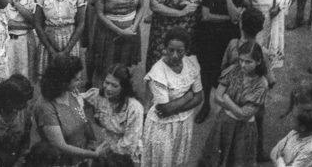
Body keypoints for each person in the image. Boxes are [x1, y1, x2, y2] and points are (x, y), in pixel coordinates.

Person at [200, 39, 270, 167]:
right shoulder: (233, 70)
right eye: (241, 60)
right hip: (224, 123)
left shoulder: (261, 84)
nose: (243, 65)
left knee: (237, 160)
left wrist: (226, 99)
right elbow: (216, 97)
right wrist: (235, 108)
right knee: (217, 157)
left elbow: (244, 116)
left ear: (258, 61)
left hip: (243, 129)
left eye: (248, 61)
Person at [142, 26, 203, 167]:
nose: (175, 55)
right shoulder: (157, 73)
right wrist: (188, 97)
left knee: (178, 160)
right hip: (163, 126)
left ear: (186, 51)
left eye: (180, 51)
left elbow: (199, 98)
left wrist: (175, 106)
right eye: (171, 50)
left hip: (184, 123)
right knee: (162, 161)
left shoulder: (192, 64)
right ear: (165, 48)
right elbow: (164, 109)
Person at [88, 0, 147, 85]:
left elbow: (141, 6)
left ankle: (123, 94)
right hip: (108, 32)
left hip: (131, 29)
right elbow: (100, 14)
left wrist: (133, 28)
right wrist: (119, 31)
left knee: (125, 66)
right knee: (105, 66)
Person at [194, 0, 241, 123]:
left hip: (229, 41)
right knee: (206, 72)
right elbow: (206, 16)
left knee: (228, 73)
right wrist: (229, 18)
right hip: (207, 38)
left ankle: (224, 109)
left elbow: (235, 17)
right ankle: (205, 104)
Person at [33, 55, 102, 165]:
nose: (80, 82)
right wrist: (94, 155)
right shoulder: (45, 107)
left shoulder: (70, 91)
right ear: (63, 81)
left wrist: (92, 142)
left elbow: (84, 120)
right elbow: (60, 146)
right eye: (76, 79)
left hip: (81, 158)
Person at [34, 0, 87, 79]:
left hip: (70, 40)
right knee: (49, 79)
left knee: (70, 78)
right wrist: (52, 51)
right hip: (48, 40)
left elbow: (81, 23)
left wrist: (66, 51)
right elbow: (38, 24)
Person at [82, 64, 144, 164]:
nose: (108, 88)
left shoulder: (134, 108)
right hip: (104, 146)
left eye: (114, 85)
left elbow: (129, 143)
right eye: (107, 83)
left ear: (123, 87)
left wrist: (107, 150)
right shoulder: (98, 97)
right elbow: (75, 100)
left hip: (124, 155)